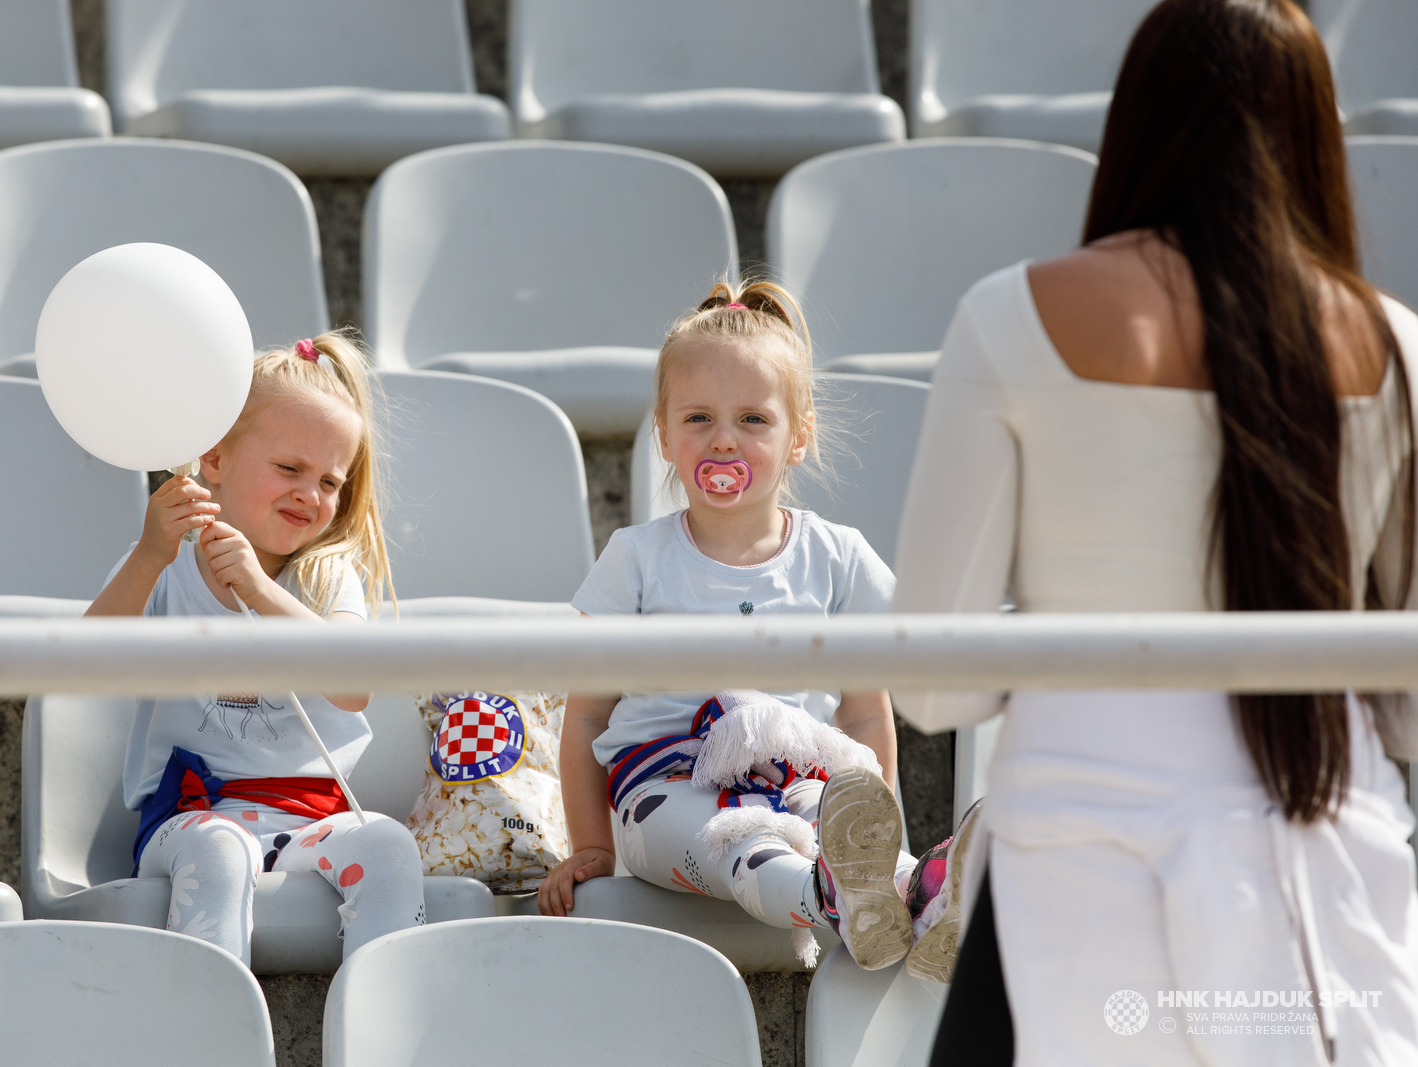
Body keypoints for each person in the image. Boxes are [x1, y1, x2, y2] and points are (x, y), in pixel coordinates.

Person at [892, 1, 1418, 1062]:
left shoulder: (1011, 314)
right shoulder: (1393, 340)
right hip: (1321, 874)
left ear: (1137, 120)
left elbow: (933, 679)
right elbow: (1401, 698)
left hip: (1071, 858)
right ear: (1315, 132)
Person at [538, 281, 981, 977]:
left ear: (797, 435)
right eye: (698, 418)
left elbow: (865, 712)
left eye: (752, 418)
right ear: (663, 433)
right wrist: (592, 846)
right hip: (665, 791)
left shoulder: (837, 555)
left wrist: (879, 822)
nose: (723, 439)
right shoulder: (635, 557)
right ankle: (830, 894)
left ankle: (913, 889)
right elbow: (587, 712)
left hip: (797, 777)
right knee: (738, 842)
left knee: (828, 818)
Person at [87, 332, 425, 967]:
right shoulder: (167, 568)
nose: (312, 495)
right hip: (195, 815)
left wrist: (262, 591)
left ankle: (379, 1018)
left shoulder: (329, 575)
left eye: (331, 481)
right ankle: (211, 1027)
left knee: (388, 845)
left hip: (309, 820)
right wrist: (149, 554)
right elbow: (78, 666)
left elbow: (354, 684)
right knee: (220, 848)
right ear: (214, 458)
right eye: (290, 469)